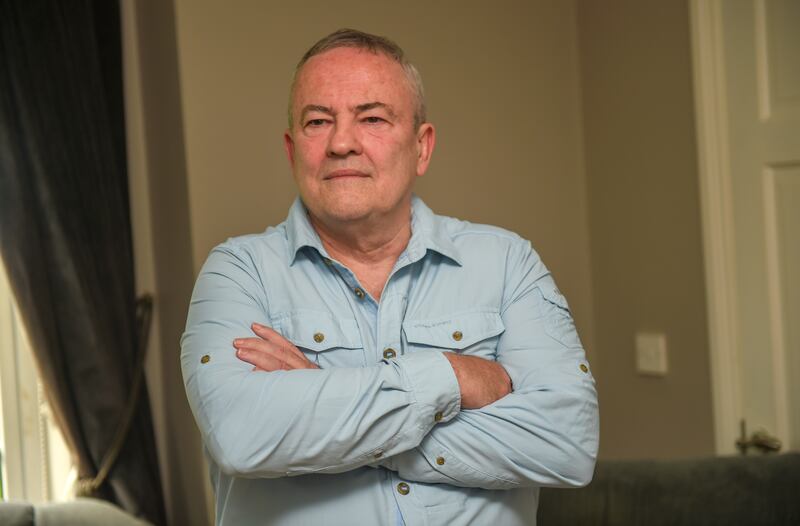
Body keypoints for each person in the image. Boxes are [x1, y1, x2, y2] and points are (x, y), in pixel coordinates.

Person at [181, 28, 598, 526]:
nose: (341, 143)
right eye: (318, 122)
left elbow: (567, 444)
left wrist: (324, 393)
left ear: (422, 147)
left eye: (372, 118)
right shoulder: (238, 272)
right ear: (293, 151)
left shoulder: (507, 263)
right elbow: (242, 435)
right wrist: (454, 375)